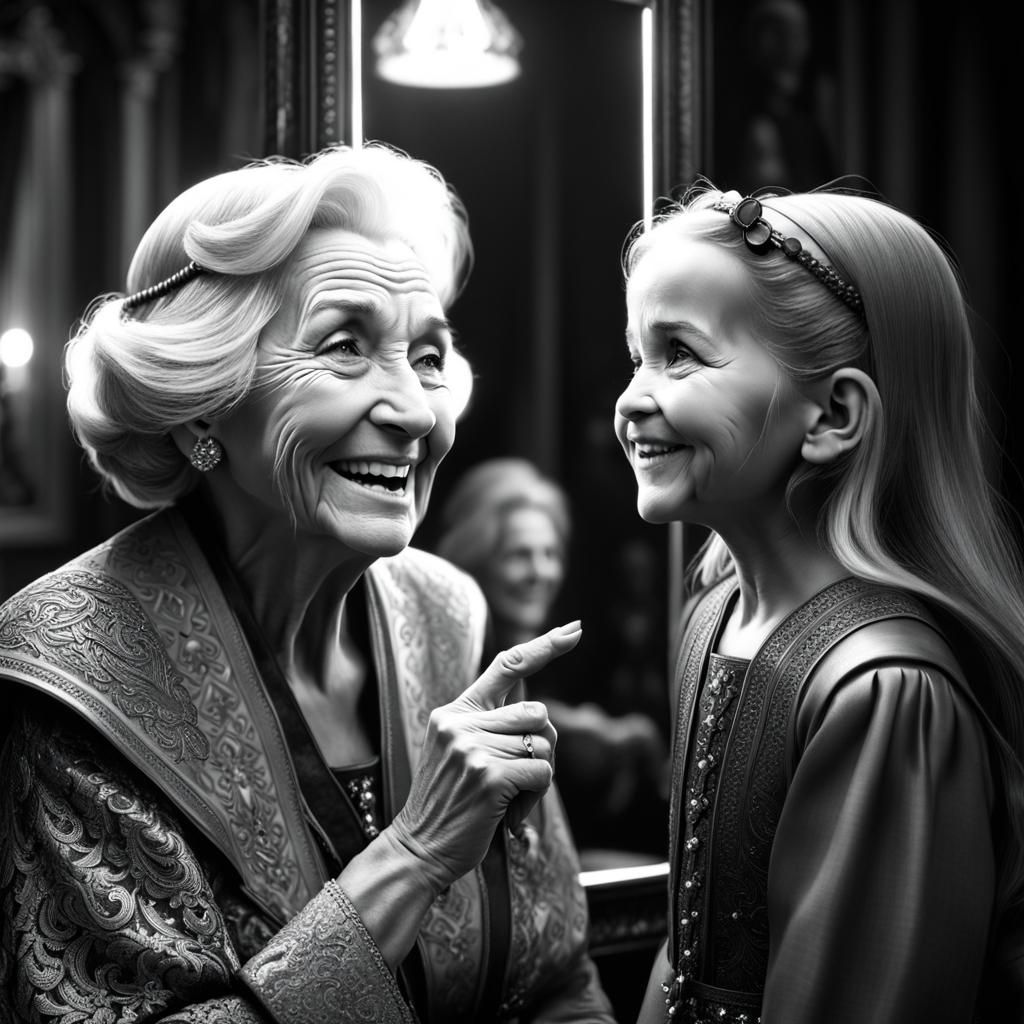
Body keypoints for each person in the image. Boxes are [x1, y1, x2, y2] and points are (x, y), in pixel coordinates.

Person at [0, 142, 616, 1023]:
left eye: (430, 356)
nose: (412, 411)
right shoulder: (72, 669)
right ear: (202, 400)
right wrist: (415, 853)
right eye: (344, 347)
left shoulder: (449, 614)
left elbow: (558, 981)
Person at [615, 184, 1024, 1022]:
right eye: (635, 356)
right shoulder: (714, 618)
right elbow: (686, 952)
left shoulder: (885, 692)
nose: (631, 400)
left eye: (681, 354)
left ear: (834, 414)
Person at [433, 457, 668, 860]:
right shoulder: (449, 659)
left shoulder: (564, 657)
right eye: (518, 555)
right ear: (477, 562)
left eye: (549, 553)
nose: (539, 572)